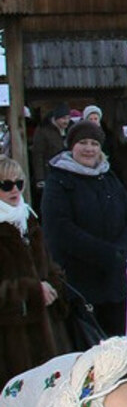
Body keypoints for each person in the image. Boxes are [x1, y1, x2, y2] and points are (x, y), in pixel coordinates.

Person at [41, 120, 127, 338]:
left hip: (114, 283)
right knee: (89, 357)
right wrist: (106, 253)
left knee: (116, 350)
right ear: (71, 146)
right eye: (82, 142)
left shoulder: (109, 177)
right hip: (80, 285)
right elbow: (60, 230)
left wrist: (121, 250)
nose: (89, 148)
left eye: (94, 143)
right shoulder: (58, 181)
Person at [0, 156, 68, 386]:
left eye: (19, 183)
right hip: (12, 341)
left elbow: (49, 264)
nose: (14, 190)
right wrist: (31, 291)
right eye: (5, 185)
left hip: (49, 332)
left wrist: (53, 284)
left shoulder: (28, 218)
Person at [29, 103, 70, 193]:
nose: (66, 121)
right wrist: (40, 178)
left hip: (66, 172)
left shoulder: (68, 129)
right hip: (49, 172)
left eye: (68, 118)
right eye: (63, 118)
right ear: (56, 118)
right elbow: (38, 155)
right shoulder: (43, 131)